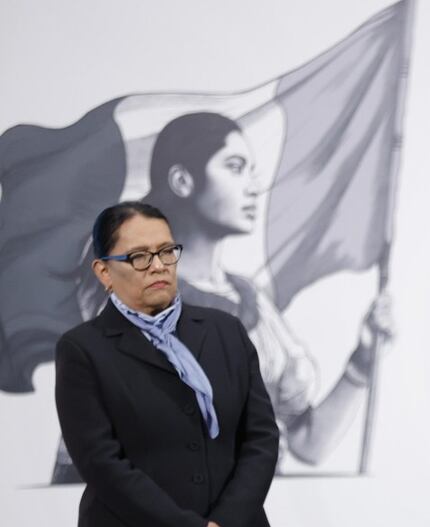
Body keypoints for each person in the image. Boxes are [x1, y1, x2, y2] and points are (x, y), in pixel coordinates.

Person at [51, 112, 390, 482]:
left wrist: (362, 361)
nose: (252, 186)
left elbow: (308, 442)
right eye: (235, 167)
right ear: (183, 180)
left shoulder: (254, 303)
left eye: (250, 170)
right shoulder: (130, 296)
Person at [54, 202, 279, 527]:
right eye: (138, 256)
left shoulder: (225, 331)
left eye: (166, 251)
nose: (157, 265)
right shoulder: (83, 350)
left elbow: (260, 440)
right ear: (103, 271)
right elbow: (102, 463)